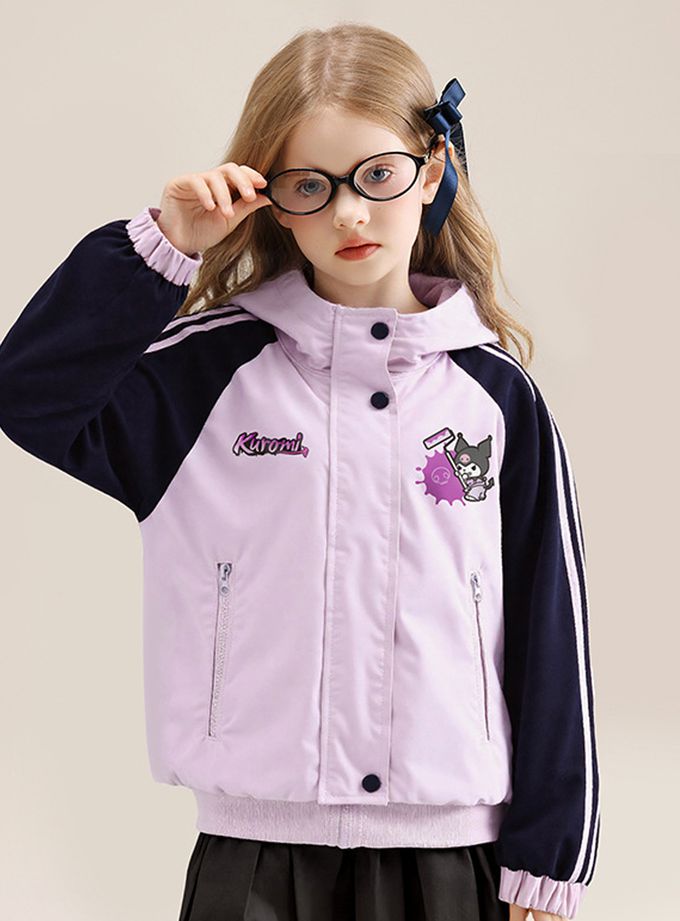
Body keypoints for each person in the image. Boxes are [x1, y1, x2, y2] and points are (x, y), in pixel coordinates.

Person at [0, 21, 601, 921]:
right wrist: (165, 244)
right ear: (271, 200)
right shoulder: (206, 377)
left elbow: (554, 632)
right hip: (253, 859)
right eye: (310, 186)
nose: (349, 214)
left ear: (431, 169)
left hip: (451, 856)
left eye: (378, 175)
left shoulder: (495, 398)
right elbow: (31, 395)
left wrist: (549, 866)